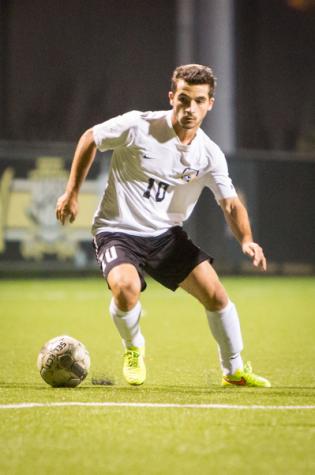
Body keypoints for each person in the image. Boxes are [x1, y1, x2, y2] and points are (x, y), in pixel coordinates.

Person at [56, 64, 271, 388]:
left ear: (210, 103)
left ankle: (234, 370)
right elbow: (91, 138)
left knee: (216, 295)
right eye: (184, 99)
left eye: (199, 101)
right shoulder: (138, 126)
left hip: (166, 237)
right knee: (126, 288)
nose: (190, 108)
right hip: (117, 229)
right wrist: (71, 192)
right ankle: (134, 347)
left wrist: (247, 240)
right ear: (172, 97)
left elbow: (229, 203)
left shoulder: (208, 154)